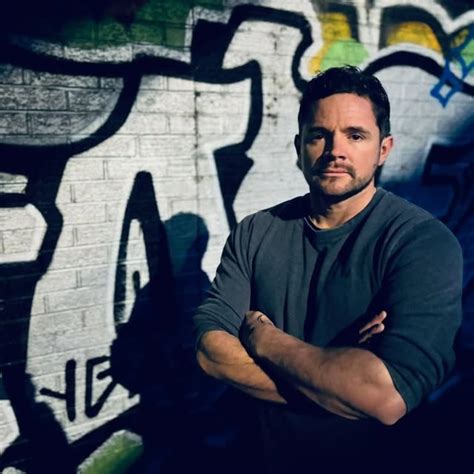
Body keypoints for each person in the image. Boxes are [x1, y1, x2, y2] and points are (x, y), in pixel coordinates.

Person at [193, 66, 463, 473]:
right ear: (299, 146)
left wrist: (264, 339)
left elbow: (384, 398)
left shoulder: (421, 242)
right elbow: (210, 352)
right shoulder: (256, 231)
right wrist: (337, 388)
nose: (335, 150)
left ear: (384, 149)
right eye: (319, 135)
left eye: (356, 136)